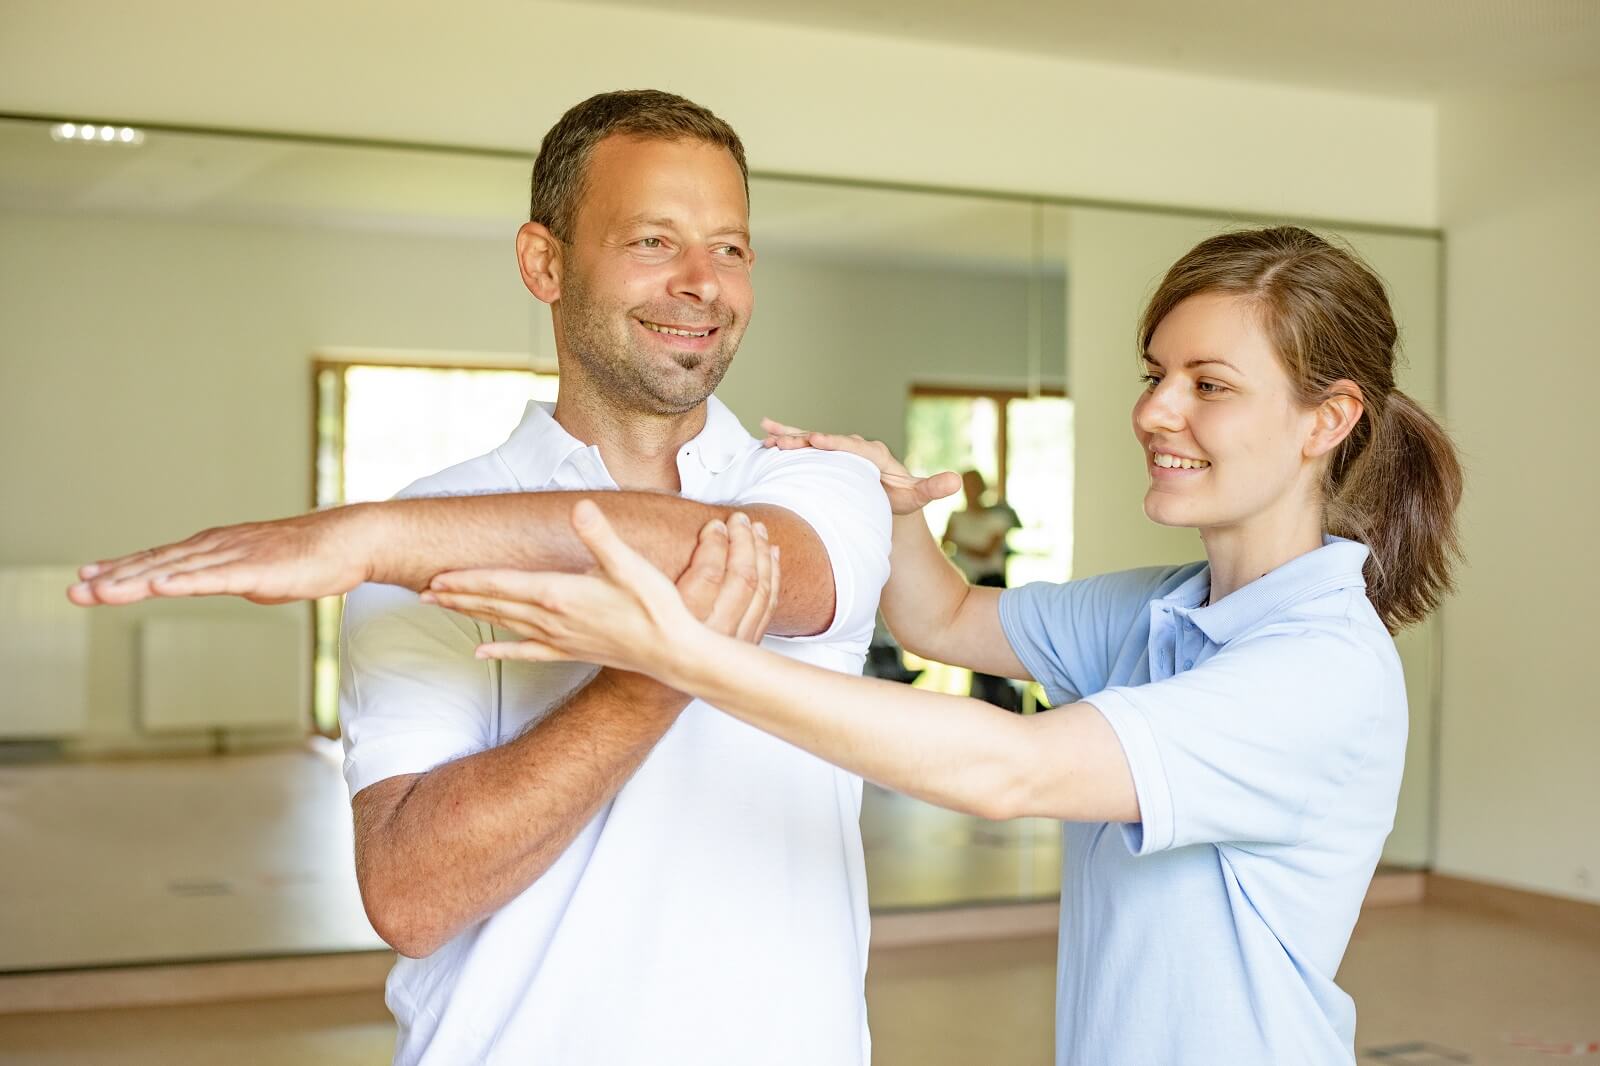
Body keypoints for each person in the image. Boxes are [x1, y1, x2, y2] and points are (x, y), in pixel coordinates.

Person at [415, 227, 1464, 1066]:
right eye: (1155, 374)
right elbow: (947, 622)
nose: (1153, 410)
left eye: (1208, 384)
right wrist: (893, 508)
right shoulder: (1162, 610)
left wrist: (682, 653)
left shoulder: (1315, 669)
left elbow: (1008, 768)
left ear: (1327, 419)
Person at [69, 90, 891, 1066]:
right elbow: (411, 898)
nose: (702, 284)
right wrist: (658, 672)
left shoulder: (816, 488)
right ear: (545, 262)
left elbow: (730, 551)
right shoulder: (427, 529)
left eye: (730, 247)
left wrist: (375, 535)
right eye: (653, 241)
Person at [941, 469, 1022, 708]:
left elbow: (987, 551)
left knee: (992, 646)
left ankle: (997, 701)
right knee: (969, 645)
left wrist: (958, 542)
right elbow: (944, 547)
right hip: (965, 583)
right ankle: (978, 700)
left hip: (991, 584)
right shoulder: (957, 516)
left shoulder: (998, 517)